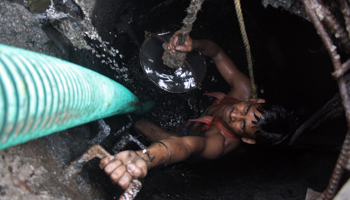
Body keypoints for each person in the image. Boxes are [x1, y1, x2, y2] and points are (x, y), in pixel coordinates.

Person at [99, 31, 296, 189]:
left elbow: (186, 146)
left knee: (142, 125)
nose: (234, 114)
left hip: (190, 137)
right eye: (246, 109)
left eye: (242, 124)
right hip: (202, 120)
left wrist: (144, 158)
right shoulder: (243, 88)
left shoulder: (218, 143)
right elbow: (217, 53)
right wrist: (195, 45)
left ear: (246, 139)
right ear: (255, 99)